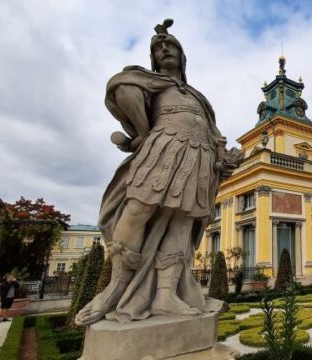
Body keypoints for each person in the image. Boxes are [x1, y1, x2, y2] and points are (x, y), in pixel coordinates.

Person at [74, 19, 239, 326]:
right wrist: (143, 129)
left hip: (199, 156)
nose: (164, 49)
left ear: (182, 55)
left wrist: (223, 160)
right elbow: (120, 86)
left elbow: (216, 133)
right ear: (153, 57)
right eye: (159, 47)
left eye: (170, 45)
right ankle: (117, 287)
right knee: (137, 209)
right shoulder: (147, 81)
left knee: (181, 223)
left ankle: (166, 295)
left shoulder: (196, 95)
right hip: (163, 147)